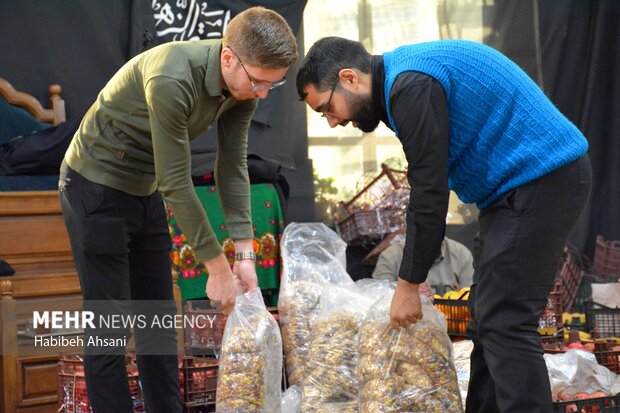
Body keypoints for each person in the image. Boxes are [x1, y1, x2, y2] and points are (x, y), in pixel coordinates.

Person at [296, 37, 591, 413]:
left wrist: (407, 283)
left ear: (350, 78)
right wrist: (415, 272)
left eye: (327, 108)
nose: (333, 122)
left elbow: (429, 191)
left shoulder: (411, 84)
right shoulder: (402, 82)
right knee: (487, 321)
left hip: (543, 178)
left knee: (506, 324)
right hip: (513, 191)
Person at [59, 7, 297, 413]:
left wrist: (244, 254)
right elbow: (175, 180)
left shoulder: (244, 85)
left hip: (142, 185)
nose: (261, 94)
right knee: (110, 326)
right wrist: (217, 269)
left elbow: (233, 164)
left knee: (158, 324)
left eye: (271, 87)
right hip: (95, 186)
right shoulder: (173, 76)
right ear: (228, 58)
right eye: (258, 82)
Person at [372, 236, 474, 294]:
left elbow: (472, 299)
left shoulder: (461, 254)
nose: (427, 232)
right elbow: (378, 300)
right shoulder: (390, 257)